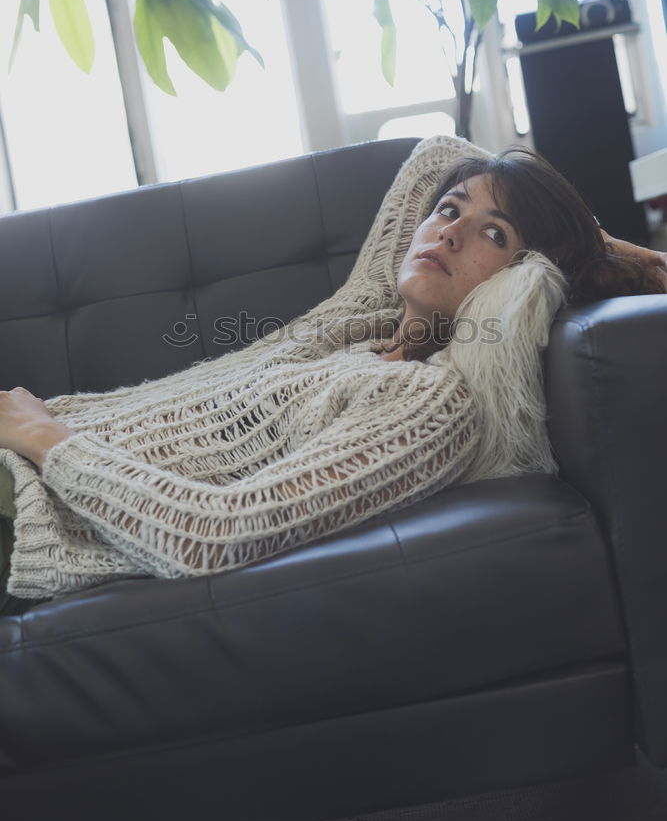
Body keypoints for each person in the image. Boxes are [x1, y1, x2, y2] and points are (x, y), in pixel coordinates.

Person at [0, 135, 665, 612]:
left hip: (27, 497)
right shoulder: (359, 322)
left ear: (525, 278)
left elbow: (212, 534)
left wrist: (42, 436)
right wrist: (607, 248)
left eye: (495, 235)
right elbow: (436, 157)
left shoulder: (429, 401)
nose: (449, 232)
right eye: (449, 210)